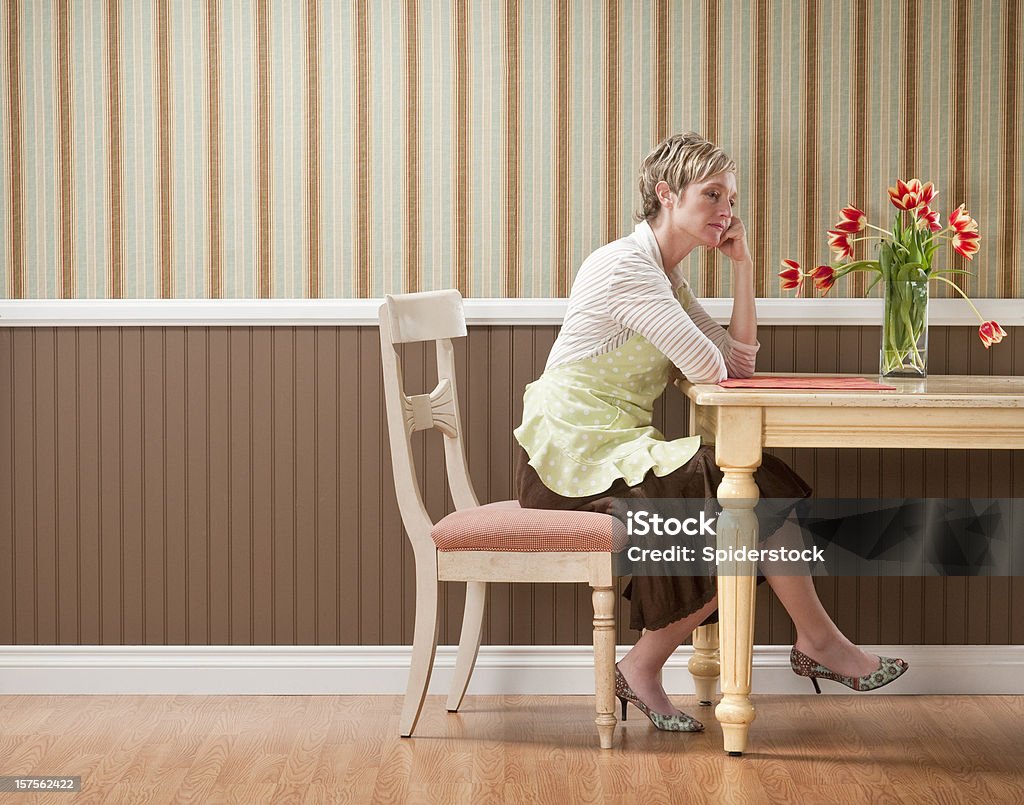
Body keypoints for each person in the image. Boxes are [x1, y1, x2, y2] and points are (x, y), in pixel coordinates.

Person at [513, 132, 908, 732]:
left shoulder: (663, 275)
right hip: (570, 458)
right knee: (745, 493)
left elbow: (739, 363)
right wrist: (718, 352)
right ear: (667, 195)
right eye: (713, 195)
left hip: (614, 448)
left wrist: (743, 265)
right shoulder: (626, 269)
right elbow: (708, 368)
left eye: (730, 197)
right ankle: (812, 645)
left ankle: (659, 663)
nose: (727, 211)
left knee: (745, 499)